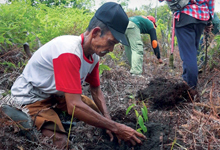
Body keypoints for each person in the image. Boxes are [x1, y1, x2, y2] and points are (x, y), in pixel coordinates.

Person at [2, 2, 146, 149]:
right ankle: (15, 115)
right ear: (96, 33)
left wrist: (108, 120)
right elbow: (74, 106)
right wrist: (117, 128)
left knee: (96, 112)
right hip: (31, 98)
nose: (111, 49)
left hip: (57, 96)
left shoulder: (94, 55)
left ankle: (57, 114)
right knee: (60, 141)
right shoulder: (69, 51)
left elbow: (96, 90)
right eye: (111, 42)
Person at [159, 0, 215, 100]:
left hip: (185, 16)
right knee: (192, 53)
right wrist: (209, 21)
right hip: (202, 18)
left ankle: (190, 91)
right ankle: (186, 83)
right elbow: (210, 3)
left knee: (189, 56)